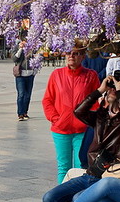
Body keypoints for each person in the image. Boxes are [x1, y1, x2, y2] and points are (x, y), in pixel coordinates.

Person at [42, 43, 100, 183]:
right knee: (63, 167)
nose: (71, 56)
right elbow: (47, 100)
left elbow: (97, 102)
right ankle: (62, 198)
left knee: (81, 167)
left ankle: (78, 200)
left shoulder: (90, 75)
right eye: (68, 53)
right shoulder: (57, 75)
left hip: (83, 131)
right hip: (61, 129)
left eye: (75, 53)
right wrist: (56, 118)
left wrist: (88, 120)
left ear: (82, 57)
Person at [13, 40, 39, 121]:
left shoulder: (33, 48)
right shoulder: (17, 47)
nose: (25, 43)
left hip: (30, 74)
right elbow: (14, 59)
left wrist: (35, 71)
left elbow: (37, 59)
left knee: (28, 95)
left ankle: (25, 112)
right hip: (20, 74)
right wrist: (20, 49)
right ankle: (20, 114)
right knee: (21, 94)